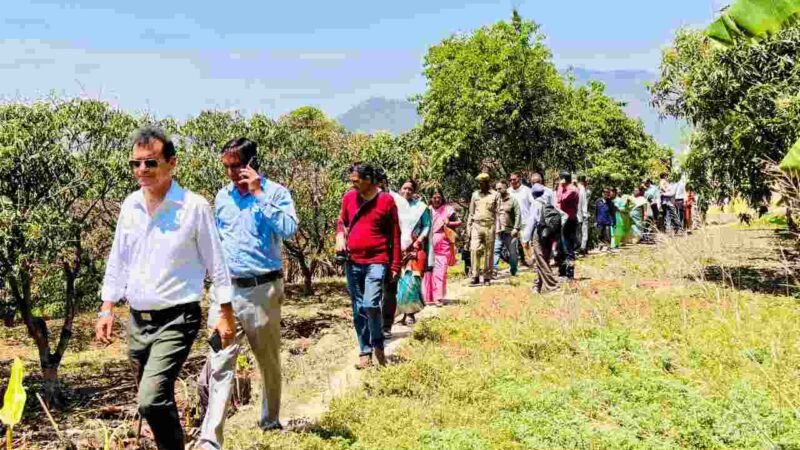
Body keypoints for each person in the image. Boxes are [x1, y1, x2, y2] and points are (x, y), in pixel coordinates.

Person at [96, 126, 233, 450]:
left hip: (177, 318)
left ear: (172, 163)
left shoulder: (193, 207)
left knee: (151, 399)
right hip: (138, 321)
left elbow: (217, 262)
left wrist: (225, 312)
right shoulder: (130, 206)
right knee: (156, 398)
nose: (141, 170)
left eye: (150, 163)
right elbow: (119, 257)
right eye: (136, 164)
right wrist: (107, 306)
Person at [197, 138, 298, 448]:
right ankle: (210, 438)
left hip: (262, 291)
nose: (230, 172)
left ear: (253, 163)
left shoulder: (276, 192)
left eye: (236, 166)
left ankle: (270, 420)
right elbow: (216, 241)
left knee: (267, 360)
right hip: (225, 294)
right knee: (220, 361)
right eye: (226, 166)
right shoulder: (222, 197)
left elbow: (289, 229)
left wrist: (258, 193)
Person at [336, 163, 402, 369]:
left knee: (371, 304)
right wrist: (339, 236)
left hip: (377, 260)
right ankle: (365, 352)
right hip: (353, 261)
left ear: (369, 180)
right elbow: (342, 221)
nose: (352, 184)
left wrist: (395, 264)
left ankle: (378, 344)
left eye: (356, 180)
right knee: (357, 308)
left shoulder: (386, 201)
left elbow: (395, 235)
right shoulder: (348, 198)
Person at [392, 180, 431, 326]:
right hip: (397, 248)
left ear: (414, 191)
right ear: (400, 189)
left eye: (410, 189)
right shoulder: (394, 205)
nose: (407, 191)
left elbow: (426, 225)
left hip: (415, 247)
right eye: (404, 188)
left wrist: (419, 240)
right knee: (399, 281)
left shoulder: (421, 208)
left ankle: (410, 313)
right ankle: (400, 312)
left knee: (412, 281)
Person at [423, 189, 461, 307]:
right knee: (428, 272)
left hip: (443, 244)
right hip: (428, 244)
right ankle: (428, 297)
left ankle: (438, 297)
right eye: (434, 197)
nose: (437, 199)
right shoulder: (426, 210)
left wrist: (448, 223)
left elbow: (459, 222)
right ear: (430, 198)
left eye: (439, 197)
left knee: (440, 271)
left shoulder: (448, 209)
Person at [525, 185, 560, 293]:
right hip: (549, 233)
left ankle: (553, 286)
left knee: (540, 260)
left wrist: (525, 238)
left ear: (533, 194)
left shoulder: (536, 204)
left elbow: (531, 221)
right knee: (544, 259)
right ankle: (537, 285)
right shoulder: (549, 203)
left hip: (539, 233)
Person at [467, 173, 500, 285]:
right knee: (474, 249)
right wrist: (468, 227)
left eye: (482, 183)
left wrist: (499, 227)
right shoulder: (475, 195)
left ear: (487, 183)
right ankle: (475, 275)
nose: (480, 185)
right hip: (476, 225)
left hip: (490, 225)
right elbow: (471, 212)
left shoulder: (495, 195)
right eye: (479, 183)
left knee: (489, 252)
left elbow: (499, 212)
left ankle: (487, 276)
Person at [493, 180, 522, 276]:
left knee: (513, 253)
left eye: (500, 188)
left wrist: (516, 228)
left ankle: (513, 271)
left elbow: (518, 215)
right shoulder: (495, 201)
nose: (498, 190)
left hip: (510, 231)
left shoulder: (513, 200)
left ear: (506, 188)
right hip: (498, 231)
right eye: (496, 189)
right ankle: (494, 269)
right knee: (496, 250)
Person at [555, 171, 579, 280]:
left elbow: (560, 199)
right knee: (560, 247)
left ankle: (570, 274)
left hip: (570, 221)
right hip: (561, 220)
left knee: (568, 247)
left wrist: (560, 186)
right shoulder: (563, 187)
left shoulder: (572, 190)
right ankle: (562, 272)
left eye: (561, 179)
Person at [508, 172, 533, 265]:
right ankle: (520, 260)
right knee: (514, 244)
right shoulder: (508, 192)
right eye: (511, 180)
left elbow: (532, 204)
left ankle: (531, 260)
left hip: (525, 220)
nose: (512, 181)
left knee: (525, 242)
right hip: (512, 222)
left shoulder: (527, 190)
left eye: (514, 179)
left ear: (519, 179)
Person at [595, 187, 616, 252]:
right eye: (605, 192)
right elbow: (596, 212)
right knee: (600, 235)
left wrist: (614, 222)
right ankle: (600, 246)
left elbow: (613, 213)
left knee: (607, 235)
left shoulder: (610, 202)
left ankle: (608, 247)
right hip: (600, 221)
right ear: (602, 193)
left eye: (608, 193)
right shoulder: (598, 201)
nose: (606, 194)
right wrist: (595, 221)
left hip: (607, 221)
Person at [577, 176, 590, 257]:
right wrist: (585, 214)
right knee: (583, 233)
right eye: (587, 182)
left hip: (578, 215)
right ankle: (582, 248)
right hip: (582, 214)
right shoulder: (582, 189)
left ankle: (582, 248)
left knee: (579, 233)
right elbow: (583, 203)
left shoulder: (581, 189)